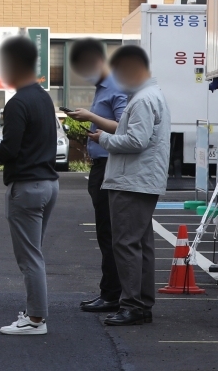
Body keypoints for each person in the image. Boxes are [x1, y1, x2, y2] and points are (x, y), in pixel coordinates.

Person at [0, 35, 58, 336]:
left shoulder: (18, 103)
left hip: (27, 187)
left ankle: (36, 319)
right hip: (49, 184)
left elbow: (10, 150)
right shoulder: (43, 97)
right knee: (34, 252)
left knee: (29, 257)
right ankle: (35, 314)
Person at [92, 45, 171, 326]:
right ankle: (140, 303)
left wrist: (102, 139)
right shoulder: (151, 95)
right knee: (141, 245)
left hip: (132, 180)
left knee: (125, 243)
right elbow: (137, 135)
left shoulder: (141, 100)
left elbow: (135, 142)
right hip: (142, 180)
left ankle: (133, 305)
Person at [63, 39, 129, 315]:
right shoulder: (103, 88)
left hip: (110, 166)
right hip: (100, 164)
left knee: (109, 231)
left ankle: (112, 294)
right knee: (106, 231)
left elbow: (125, 125)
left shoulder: (115, 86)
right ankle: (110, 292)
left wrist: (90, 115)